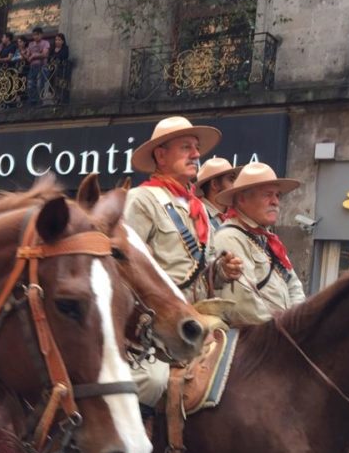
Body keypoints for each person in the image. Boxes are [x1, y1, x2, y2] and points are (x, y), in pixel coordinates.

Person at [125, 116, 243, 406]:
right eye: (186, 147)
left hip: (196, 317)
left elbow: (200, 269)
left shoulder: (197, 208)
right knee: (151, 382)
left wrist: (221, 271)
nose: (195, 154)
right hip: (155, 326)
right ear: (161, 155)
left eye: (196, 148)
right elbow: (123, 266)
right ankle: (141, 443)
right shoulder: (141, 199)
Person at [212, 162, 305, 326]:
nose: (275, 201)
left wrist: (297, 323)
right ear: (241, 199)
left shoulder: (267, 239)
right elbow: (243, 306)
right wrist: (285, 332)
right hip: (257, 341)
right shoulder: (230, 237)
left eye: (277, 195)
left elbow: (293, 285)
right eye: (267, 195)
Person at [195, 157, 241, 231]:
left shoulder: (237, 216)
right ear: (215, 184)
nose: (235, 185)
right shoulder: (195, 215)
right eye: (231, 179)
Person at [25, 27, 51, 105]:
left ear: (41, 35)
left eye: (37, 35)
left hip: (42, 66)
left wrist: (34, 56)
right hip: (33, 66)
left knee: (42, 83)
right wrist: (25, 55)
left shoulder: (45, 43)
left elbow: (45, 54)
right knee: (31, 83)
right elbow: (28, 56)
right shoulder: (31, 44)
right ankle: (33, 101)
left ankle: (42, 101)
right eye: (34, 35)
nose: (35, 37)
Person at [48, 32, 70, 103]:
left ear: (63, 41)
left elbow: (63, 57)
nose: (57, 41)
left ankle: (61, 99)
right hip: (52, 70)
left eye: (59, 40)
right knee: (52, 84)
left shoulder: (65, 49)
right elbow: (49, 58)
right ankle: (54, 98)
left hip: (61, 70)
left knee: (60, 85)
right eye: (56, 40)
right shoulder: (52, 49)